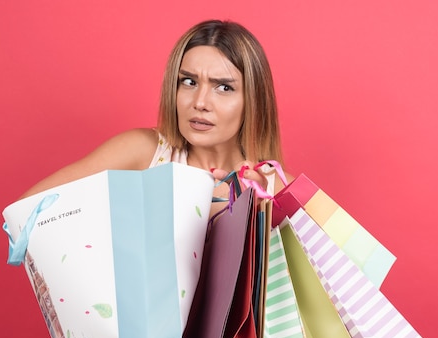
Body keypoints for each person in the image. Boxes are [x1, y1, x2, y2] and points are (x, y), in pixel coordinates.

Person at [21, 20, 292, 214]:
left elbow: (327, 274)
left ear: (254, 101)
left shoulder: (272, 187)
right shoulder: (145, 152)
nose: (200, 102)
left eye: (224, 88)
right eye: (188, 82)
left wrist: (262, 216)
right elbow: (27, 209)